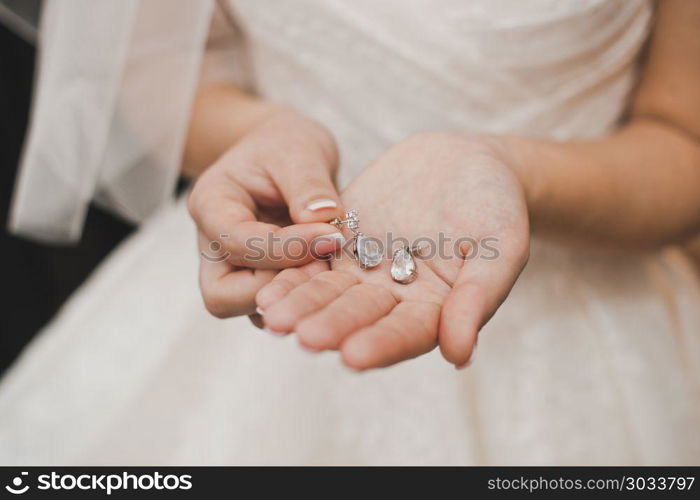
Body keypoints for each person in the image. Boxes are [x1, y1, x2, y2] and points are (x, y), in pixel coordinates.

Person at [1, 0, 699, 464]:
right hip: (296, 268)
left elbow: (684, 139)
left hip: (590, 319)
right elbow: (156, 68)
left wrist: (515, 170)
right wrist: (267, 136)